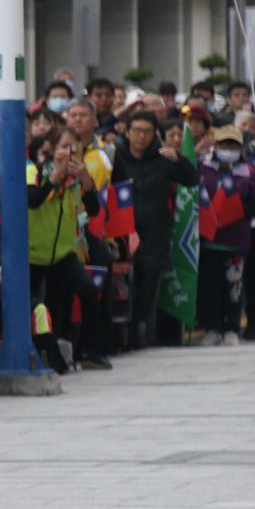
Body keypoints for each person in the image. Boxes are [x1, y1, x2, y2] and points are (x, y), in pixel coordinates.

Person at [109, 111, 198, 349]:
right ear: (127, 132)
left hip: (155, 234)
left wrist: (178, 159)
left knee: (148, 285)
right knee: (123, 285)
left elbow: (191, 179)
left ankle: (140, 330)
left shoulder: (162, 159)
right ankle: (120, 333)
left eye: (147, 131)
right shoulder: (115, 157)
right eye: (136, 130)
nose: (141, 136)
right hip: (123, 232)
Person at [27, 130, 108, 371]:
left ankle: (92, 352)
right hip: (33, 253)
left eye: (75, 149)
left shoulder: (76, 178)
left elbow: (93, 210)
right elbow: (34, 201)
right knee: (39, 306)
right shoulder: (35, 171)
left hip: (62, 252)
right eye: (63, 147)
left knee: (88, 291)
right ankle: (48, 353)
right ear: (52, 149)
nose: (68, 153)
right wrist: (55, 176)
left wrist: (86, 180)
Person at [197, 124, 255, 345]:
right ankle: (212, 327)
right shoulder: (203, 167)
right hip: (209, 239)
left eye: (232, 145)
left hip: (235, 239)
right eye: (223, 144)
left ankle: (232, 327)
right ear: (215, 145)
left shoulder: (249, 172)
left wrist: (237, 206)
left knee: (234, 285)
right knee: (210, 285)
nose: (227, 149)